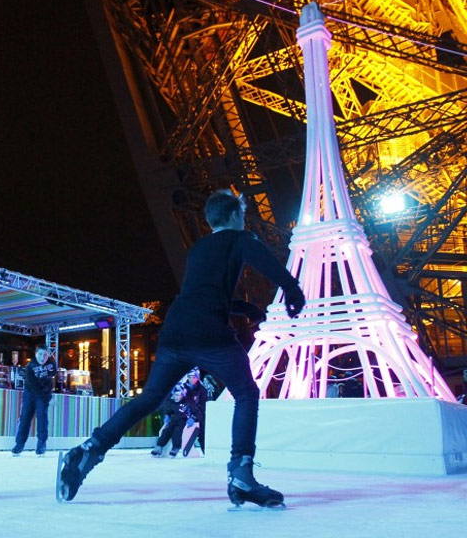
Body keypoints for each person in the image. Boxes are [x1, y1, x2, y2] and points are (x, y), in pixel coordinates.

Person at [58, 189, 306, 508]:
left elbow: (202, 293)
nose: (244, 220)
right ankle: (241, 473)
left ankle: (90, 449)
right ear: (233, 216)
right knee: (246, 393)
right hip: (209, 335)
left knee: (149, 398)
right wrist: (292, 289)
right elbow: (266, 263)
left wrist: (241, 307)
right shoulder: (241, 239)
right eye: (242, 215)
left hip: (176, 331)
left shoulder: (199, 248)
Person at [11, 345, 57, 455]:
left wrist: (48, 395)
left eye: (45, 355)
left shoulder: (52, 365)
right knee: (25, 417)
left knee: (42, 417)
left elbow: (50, 380)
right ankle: (19, 444)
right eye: (40, 354)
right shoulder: (30, 367)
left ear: (48, 355)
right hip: (30, 393)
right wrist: (48, 399)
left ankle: (41, 444)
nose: (42, 357)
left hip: (44, 393)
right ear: (36, 354)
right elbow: (34, 386)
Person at [150, 386, 190, 458]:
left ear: (182, 395)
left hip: (182, 421)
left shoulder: (186, 403)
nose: (176, 397)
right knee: (166, 431)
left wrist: (192, 417)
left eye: (178, 395)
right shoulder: (172, 403)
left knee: (177, 432)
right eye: (175, 395)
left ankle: (175, 448)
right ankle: (159, 446)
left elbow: (190, 411)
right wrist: (167, 415)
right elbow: (169, 411)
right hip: (173, 420)